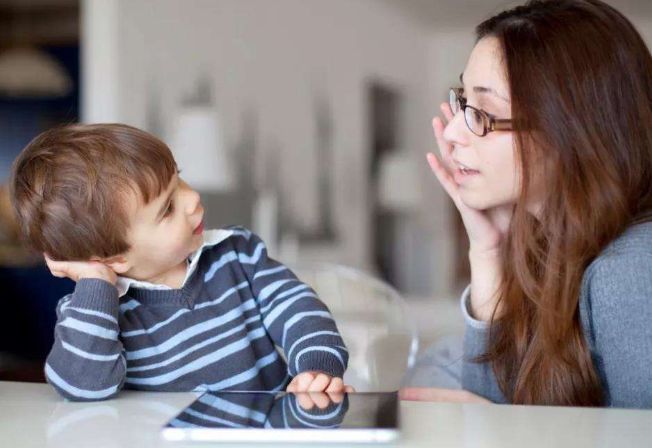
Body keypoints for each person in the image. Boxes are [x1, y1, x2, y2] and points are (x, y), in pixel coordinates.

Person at [403, 0, 652, 408]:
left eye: (483, 112)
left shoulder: (629, 269)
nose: (450, 132)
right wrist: (488, 250)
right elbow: (492, 402)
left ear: (569, 130)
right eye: (464, 102)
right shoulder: (549, 249)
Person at [10, 123, 350, 401]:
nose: (192, 198)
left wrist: (315, 366)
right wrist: (97, 283)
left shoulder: (237, 254)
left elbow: (297, 307)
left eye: (179, 178)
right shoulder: (95, 314)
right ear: (115, 258)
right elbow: (82, 386)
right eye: (167, 209)